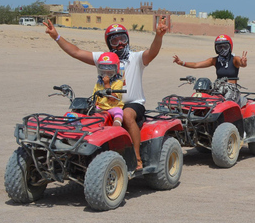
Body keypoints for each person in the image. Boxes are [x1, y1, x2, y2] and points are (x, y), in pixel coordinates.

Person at [44, 18, 167, 172]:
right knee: (84, 116)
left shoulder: (136, 59)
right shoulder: (105, 59)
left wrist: (159, 36)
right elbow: (76, 52)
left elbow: (153, 51)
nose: (120, 43)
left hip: (132, 103)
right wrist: (56, 36)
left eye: (123, 39)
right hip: (106, 103)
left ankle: (137, 158)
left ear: (128, 39)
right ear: (109, 44)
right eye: (115, 41)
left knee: (127, 116)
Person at [173, 35, 248, 84]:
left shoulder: (234, 59)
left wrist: (243, 62)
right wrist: (182, 63)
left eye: (225, 47)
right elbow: (196, 65)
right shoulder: (215, 60)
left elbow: (242, 64)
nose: (222, 50)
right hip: (218, 89)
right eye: (219, 47)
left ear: (230, 47)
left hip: (232, 91)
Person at [93, 52, 124, 127]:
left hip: (112, 107)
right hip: (100, 107)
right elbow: (94, 96)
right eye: (103, 71)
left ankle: (117, 123)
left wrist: (107, 84)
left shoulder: (118, 82)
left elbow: (112, 98)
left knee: (119, 111)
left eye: (109, 72)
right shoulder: (99, 83)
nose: (106, 74)